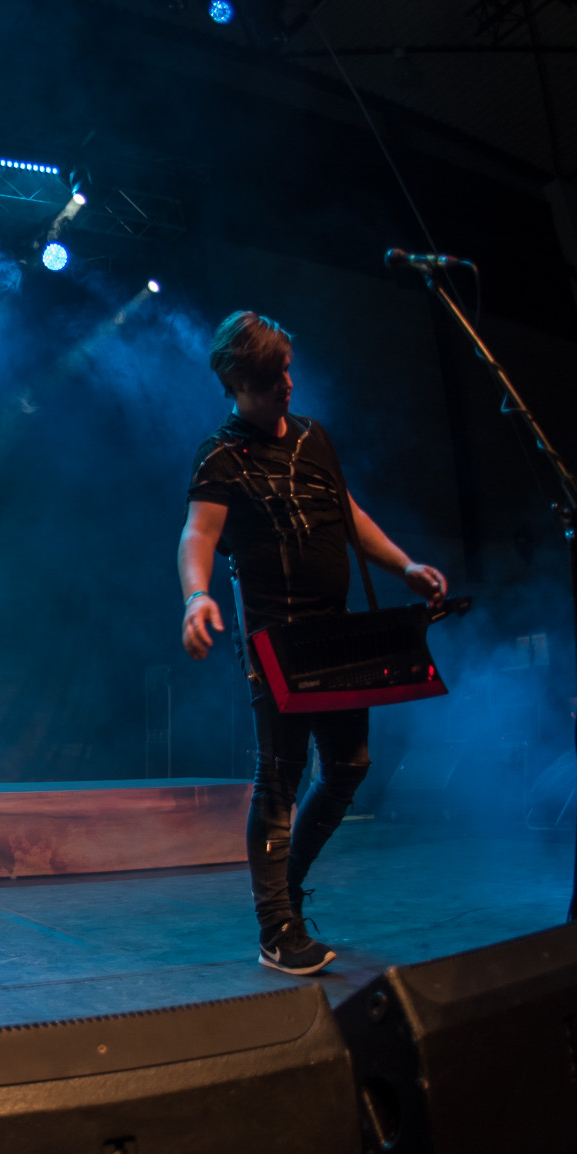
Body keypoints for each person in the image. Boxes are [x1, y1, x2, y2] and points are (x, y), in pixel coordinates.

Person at [178, 313, 449, 976]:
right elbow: (198, 534)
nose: (287, 385)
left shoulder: (313, 436)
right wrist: (196, 595)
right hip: (276, 641)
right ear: (237, 385)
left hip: (336, 631)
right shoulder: (221, 454)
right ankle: (276, 929)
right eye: (271, 379)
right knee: (279, 778)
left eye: (287, 371)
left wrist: (405, 565)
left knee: (350, 766)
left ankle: (287, 888)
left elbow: (349, 513)